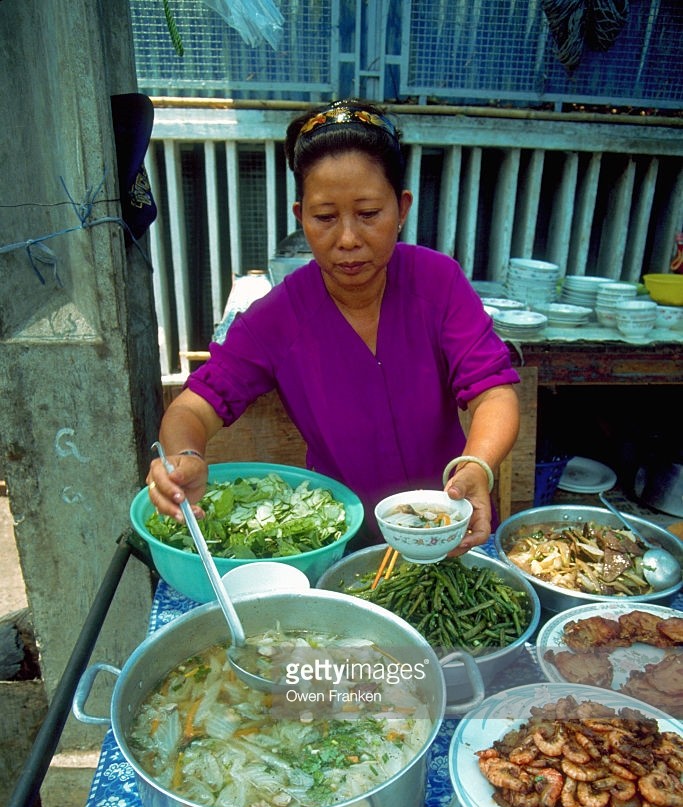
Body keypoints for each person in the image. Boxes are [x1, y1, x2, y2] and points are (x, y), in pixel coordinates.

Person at [147, 99, 520, 552]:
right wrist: (185, 457)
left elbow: (493, 391)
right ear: (300, 217)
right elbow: (192, 408)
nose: (347, 239)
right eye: (325, 217)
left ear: (401, 209)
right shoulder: (278, 317)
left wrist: (478, 466)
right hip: (339, 541)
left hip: (450, 524)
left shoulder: (438, 283)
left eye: (368, 214)